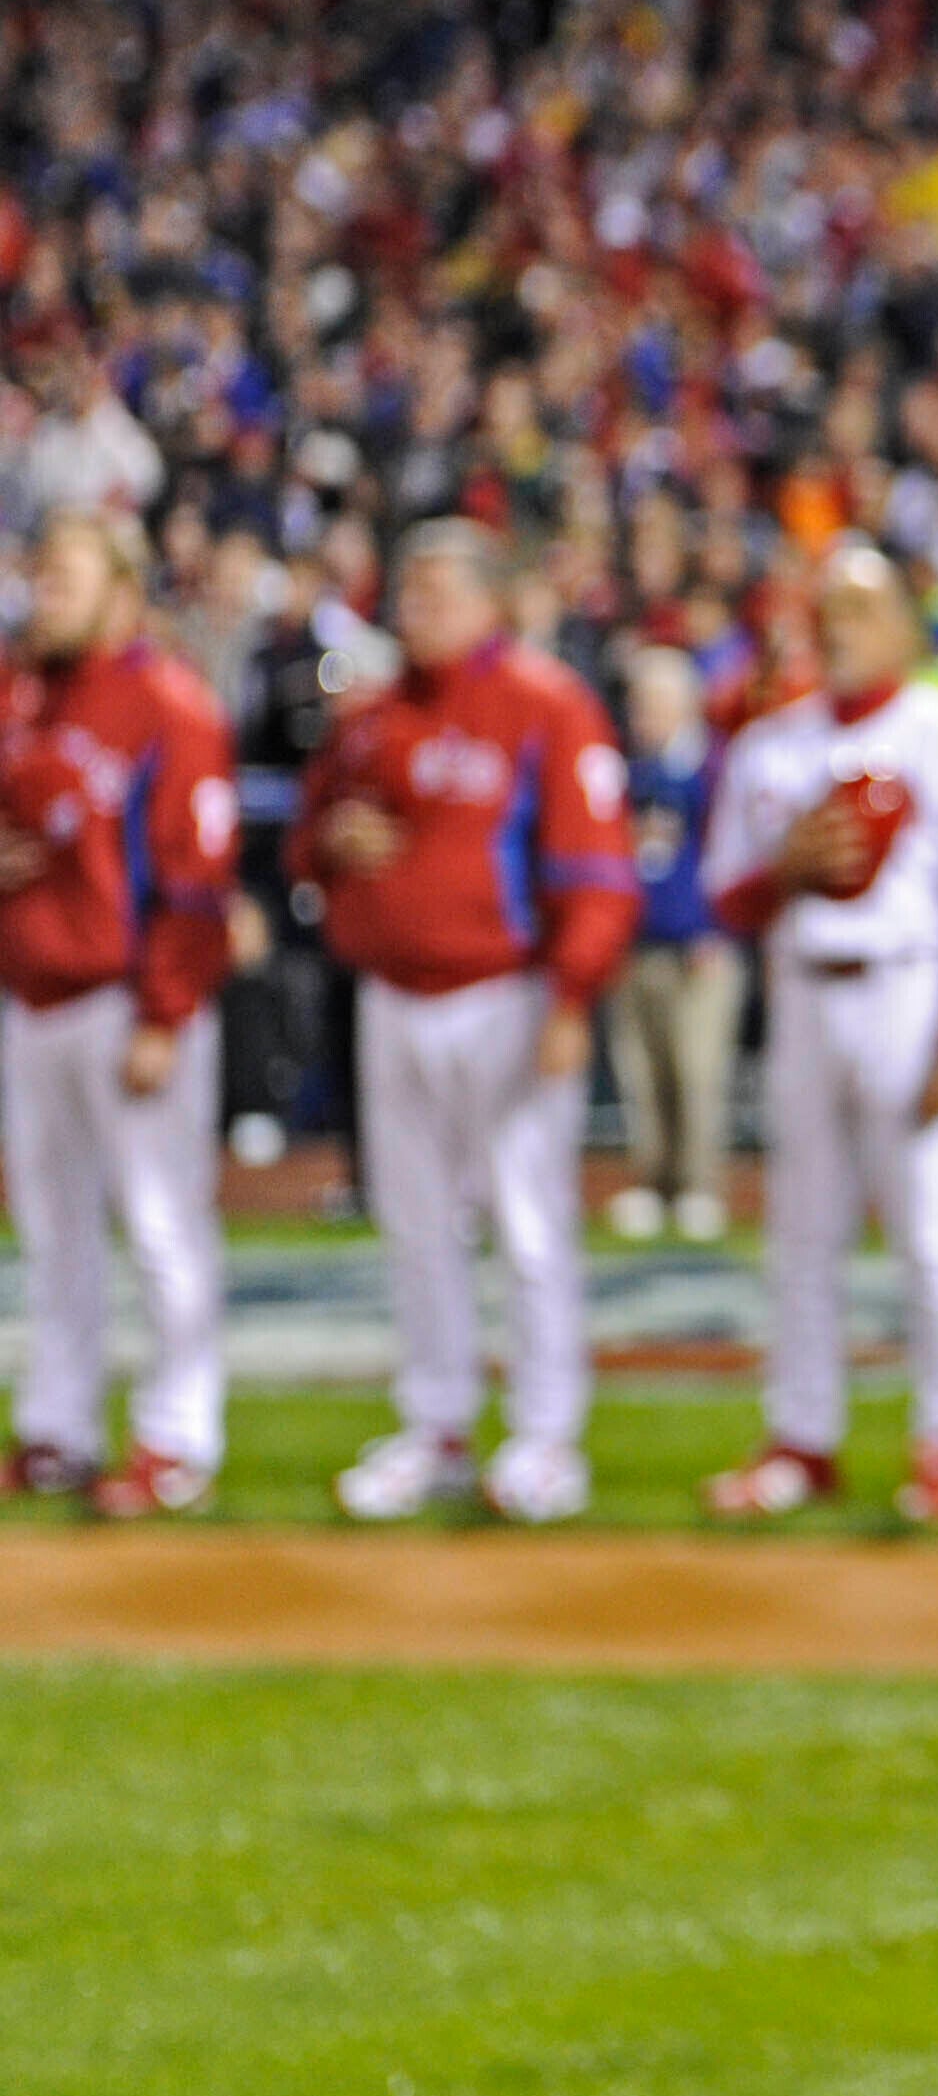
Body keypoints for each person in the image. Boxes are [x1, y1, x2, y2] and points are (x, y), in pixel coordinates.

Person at [291, 520, 640, 1525]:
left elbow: (597, 872)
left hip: (506, 996)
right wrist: (333, 840)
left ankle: (546, 1437)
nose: (419, 609)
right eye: (410, 591)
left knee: (528, 1226)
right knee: (414, 1225)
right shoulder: (371, 714)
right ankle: (437, 1427)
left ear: (495, 601)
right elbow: (305, 845)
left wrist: (572, 995)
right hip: (392, 994)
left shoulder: (545, 703)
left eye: (440, 591)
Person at [697, 541, 938, 1527]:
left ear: (901, 626)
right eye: (827, 613)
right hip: (805, 993)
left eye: (859, 610)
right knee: (801, 1234)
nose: (838, 630)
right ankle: (802, 1439)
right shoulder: (770, 745)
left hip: (911, 991)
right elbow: (727, 900)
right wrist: (786, 870)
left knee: (931, 1231)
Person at [0, 508, 239, 1516]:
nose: (44, 592)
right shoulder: (20, 693)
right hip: (32, 996)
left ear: (123, 593)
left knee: (160, 1225)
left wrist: (165, 1012)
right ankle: (59, 1426)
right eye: (40, 575)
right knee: (52, 1231)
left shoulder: (168, 705)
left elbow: (197, 881)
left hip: (127, 1000)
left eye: (66, 576)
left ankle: (178, 1435)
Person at [606, 642, 741, 1246]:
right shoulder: (626, 770)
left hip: (698, 947)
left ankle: (699, 1185)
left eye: (656, 704)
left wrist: (714, 926)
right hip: (636, 943)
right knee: (642, 1073)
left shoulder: (715, 769)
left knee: (697, 1072)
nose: (644, 717)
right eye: (639, 704)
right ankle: (653, 1182)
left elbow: (733, 856)